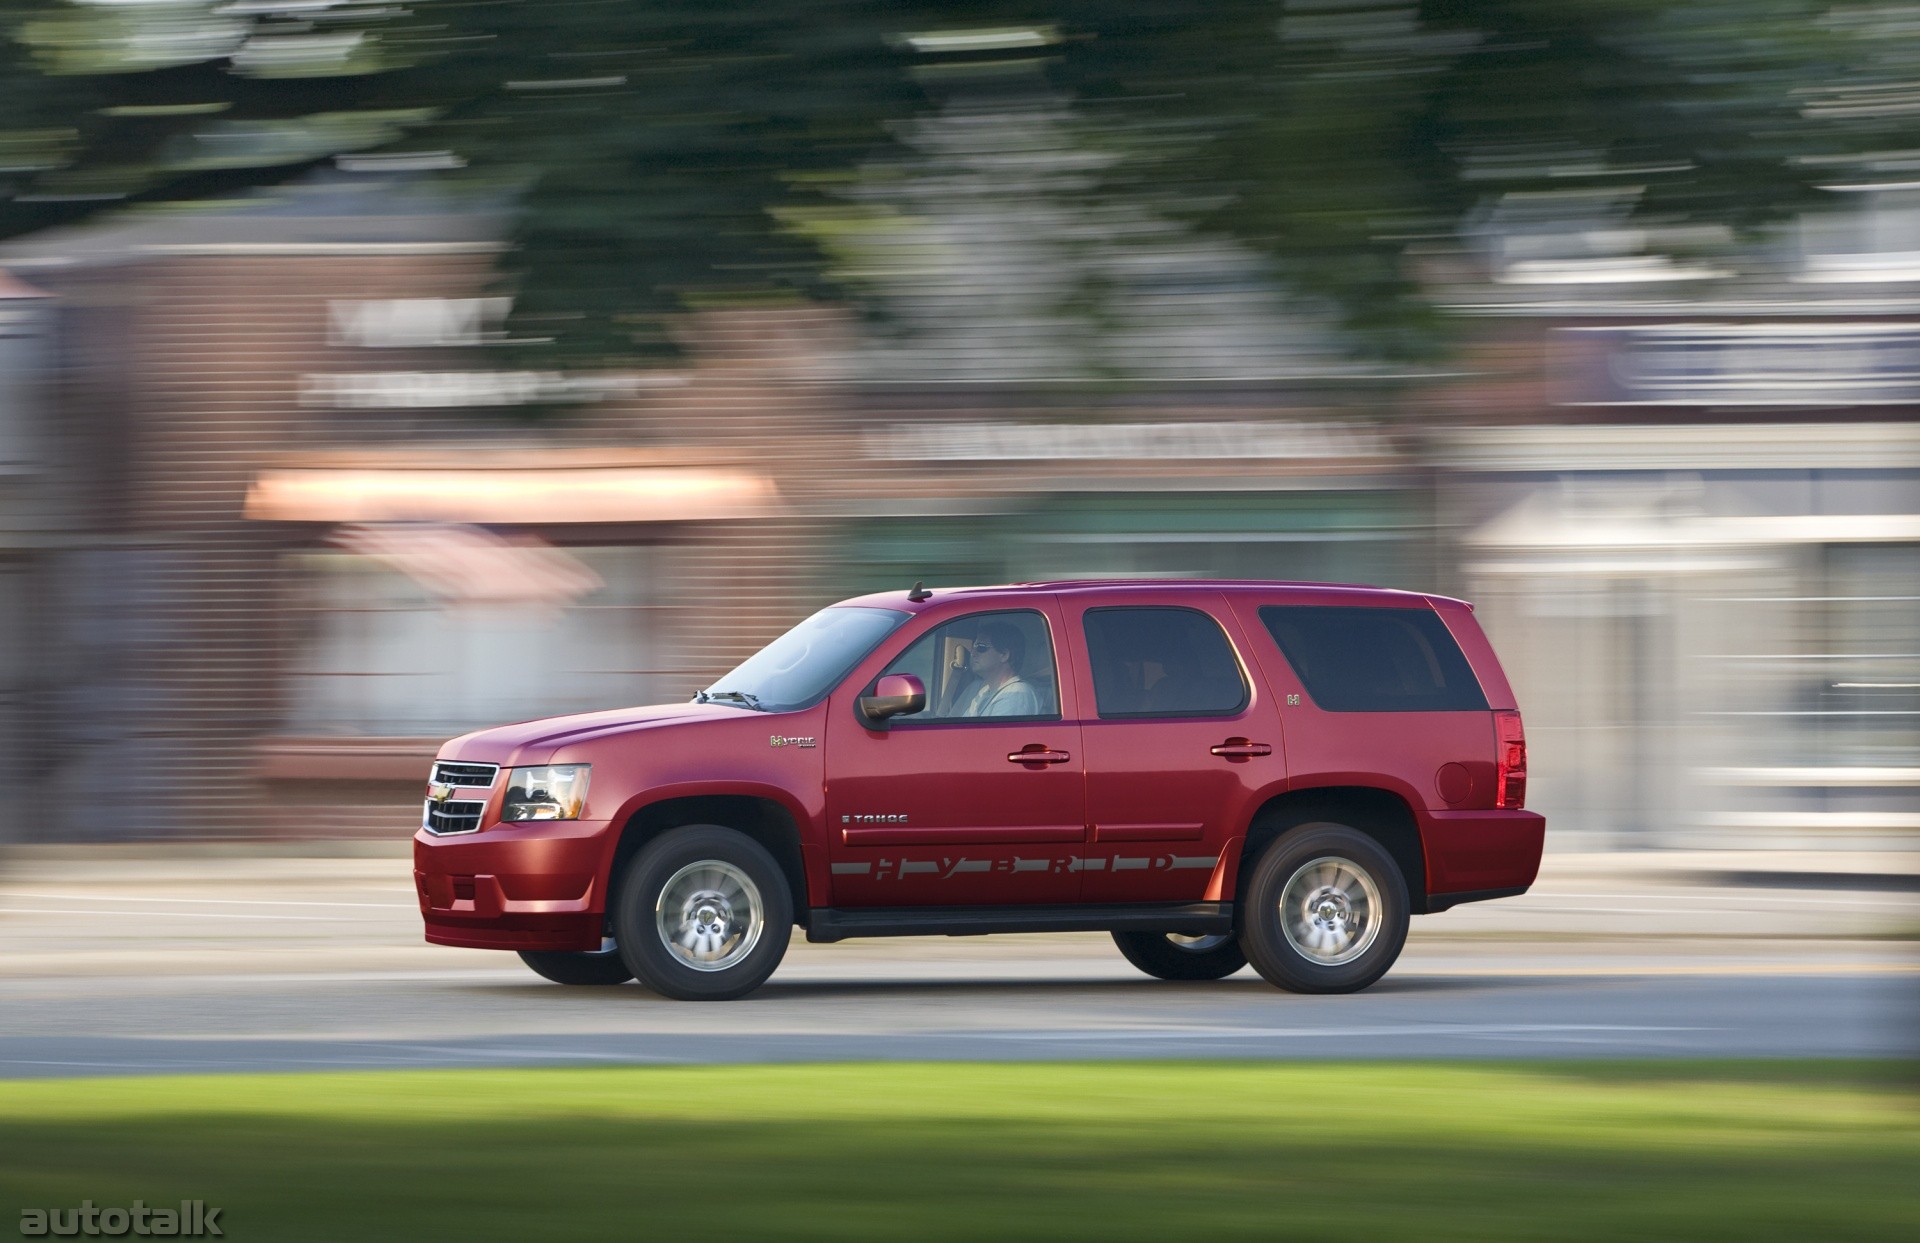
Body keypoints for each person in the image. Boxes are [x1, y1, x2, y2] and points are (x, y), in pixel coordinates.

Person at [960, 620, 1041, 717]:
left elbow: (998, 733)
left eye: (981, 647)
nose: (973, 653)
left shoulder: (1016, 694)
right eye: (973, 647)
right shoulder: (984, 691)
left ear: (1004, 655)